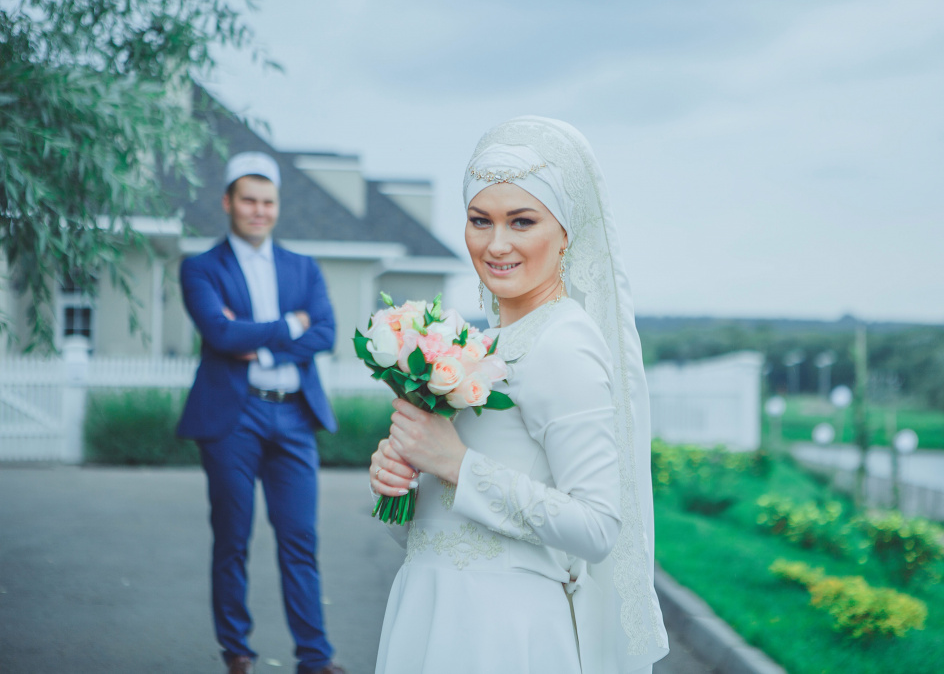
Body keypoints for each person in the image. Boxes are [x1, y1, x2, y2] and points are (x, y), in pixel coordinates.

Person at [369, 117, 669, 673]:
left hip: (502, 631)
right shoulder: (486, 346)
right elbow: (442, 532)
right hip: (431, 608)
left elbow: (598, 526)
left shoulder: (563, 341)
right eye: (479, 220)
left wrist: (456, 463)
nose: (496, 244)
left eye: (522, 221)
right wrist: (401, 484)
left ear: (566, 232)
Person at [177, 151, 347, 674]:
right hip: (234, 418)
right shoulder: (201, 268)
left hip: (294, 416)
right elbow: (220, 333)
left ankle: (315, 658)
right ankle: (238, 652)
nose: (259, 210)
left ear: (277, 206)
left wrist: (264, 345)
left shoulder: (303, 267)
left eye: (268, 202)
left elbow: (326, 333)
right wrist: (290, 325)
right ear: (228, 203)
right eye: (248, 200)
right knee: (233, 539)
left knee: (300, 540)